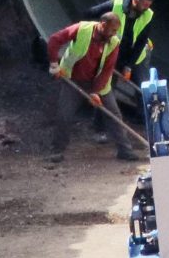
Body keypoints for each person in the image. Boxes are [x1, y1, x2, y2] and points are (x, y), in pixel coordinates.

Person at [45, 12, 136, 159]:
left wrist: (95, 91)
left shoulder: (113, 42)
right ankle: (57, 151)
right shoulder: (82, 29)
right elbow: (55, 40)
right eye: (112, 30)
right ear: (103, 24)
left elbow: (107, 69)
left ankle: (125, 151)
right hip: (73, 79)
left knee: (114, 115)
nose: (114, 34)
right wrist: (54, 64)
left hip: (99, 82)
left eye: (116, 31)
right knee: (64, 115)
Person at [80, 0, 156, 120]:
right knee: (105, 89)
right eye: (144, 5)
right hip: (112, 55)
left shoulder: (148, 14)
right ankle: (100, 127)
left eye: (149, 5)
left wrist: (129, 66)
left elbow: (140, 42)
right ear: (135, 0)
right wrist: (94, 34)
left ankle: (147, 121)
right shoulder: (115, 5)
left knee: (144, 88)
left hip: (136, 56)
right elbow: (89, 13)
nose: (146, 8)